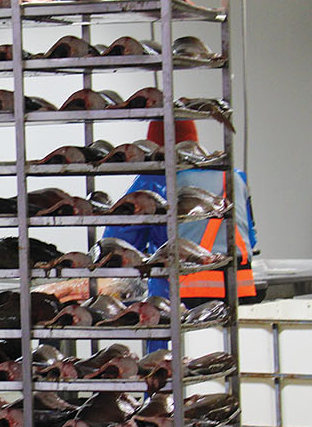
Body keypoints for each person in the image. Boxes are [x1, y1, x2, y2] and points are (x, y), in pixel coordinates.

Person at [101, 119, 259, 303]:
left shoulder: (156, 178)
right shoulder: (233, 175)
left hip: (183, 296)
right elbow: (251, 239)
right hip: (240, 291)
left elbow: (119, 242)